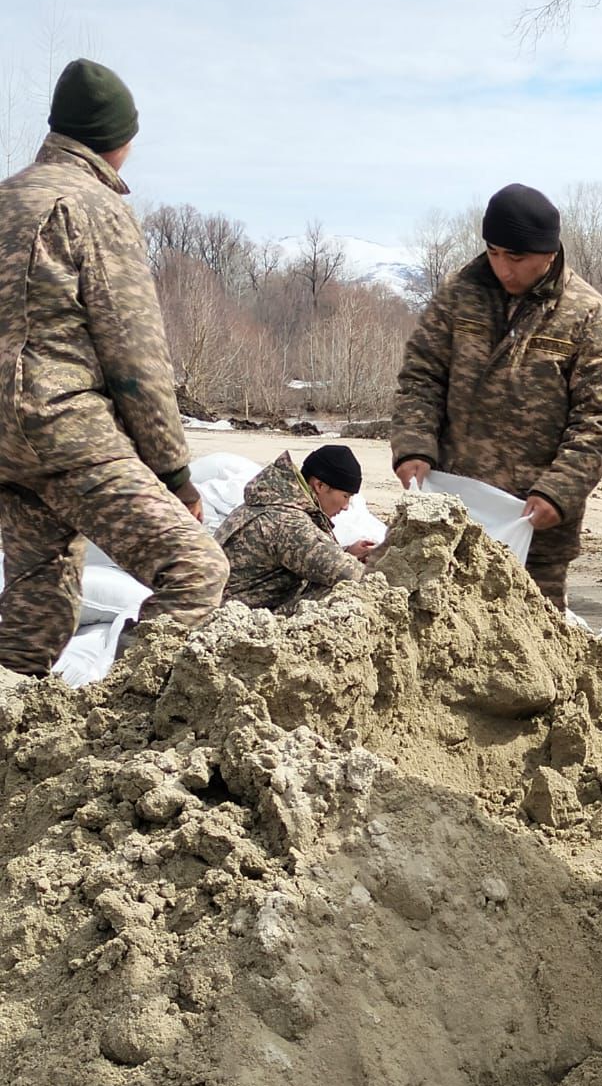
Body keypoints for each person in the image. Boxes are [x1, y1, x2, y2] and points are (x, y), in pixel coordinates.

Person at [0, 59, 227, 675]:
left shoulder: (5, 198)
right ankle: (124, 720)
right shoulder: (95, 207)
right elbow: (135, 357)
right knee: (197, 571)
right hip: (65, 430)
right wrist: (175, 472)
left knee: (35, 606)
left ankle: (13, 738)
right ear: (120, 141)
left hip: (6, 447)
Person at [390, 185, 602, 611]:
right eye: (494, 253)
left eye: (515, 258)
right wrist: (413, 446)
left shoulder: (588, 316)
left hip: (534, 524)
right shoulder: (460, 295)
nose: (502, 268)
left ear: (549, 254)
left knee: (527, 647)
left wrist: (558, 492)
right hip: (450, 511)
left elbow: (598, 422)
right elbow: (421, 377)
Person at [217, 446, 375, 612]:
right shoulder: (289, 523)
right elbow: (355, 576)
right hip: (240, 619)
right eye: (345, 496)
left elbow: (303, 553)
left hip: (228, 604)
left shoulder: (274, 503)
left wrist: (347, 552)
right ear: (320, 486)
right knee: (346, 592)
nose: (346, 506)